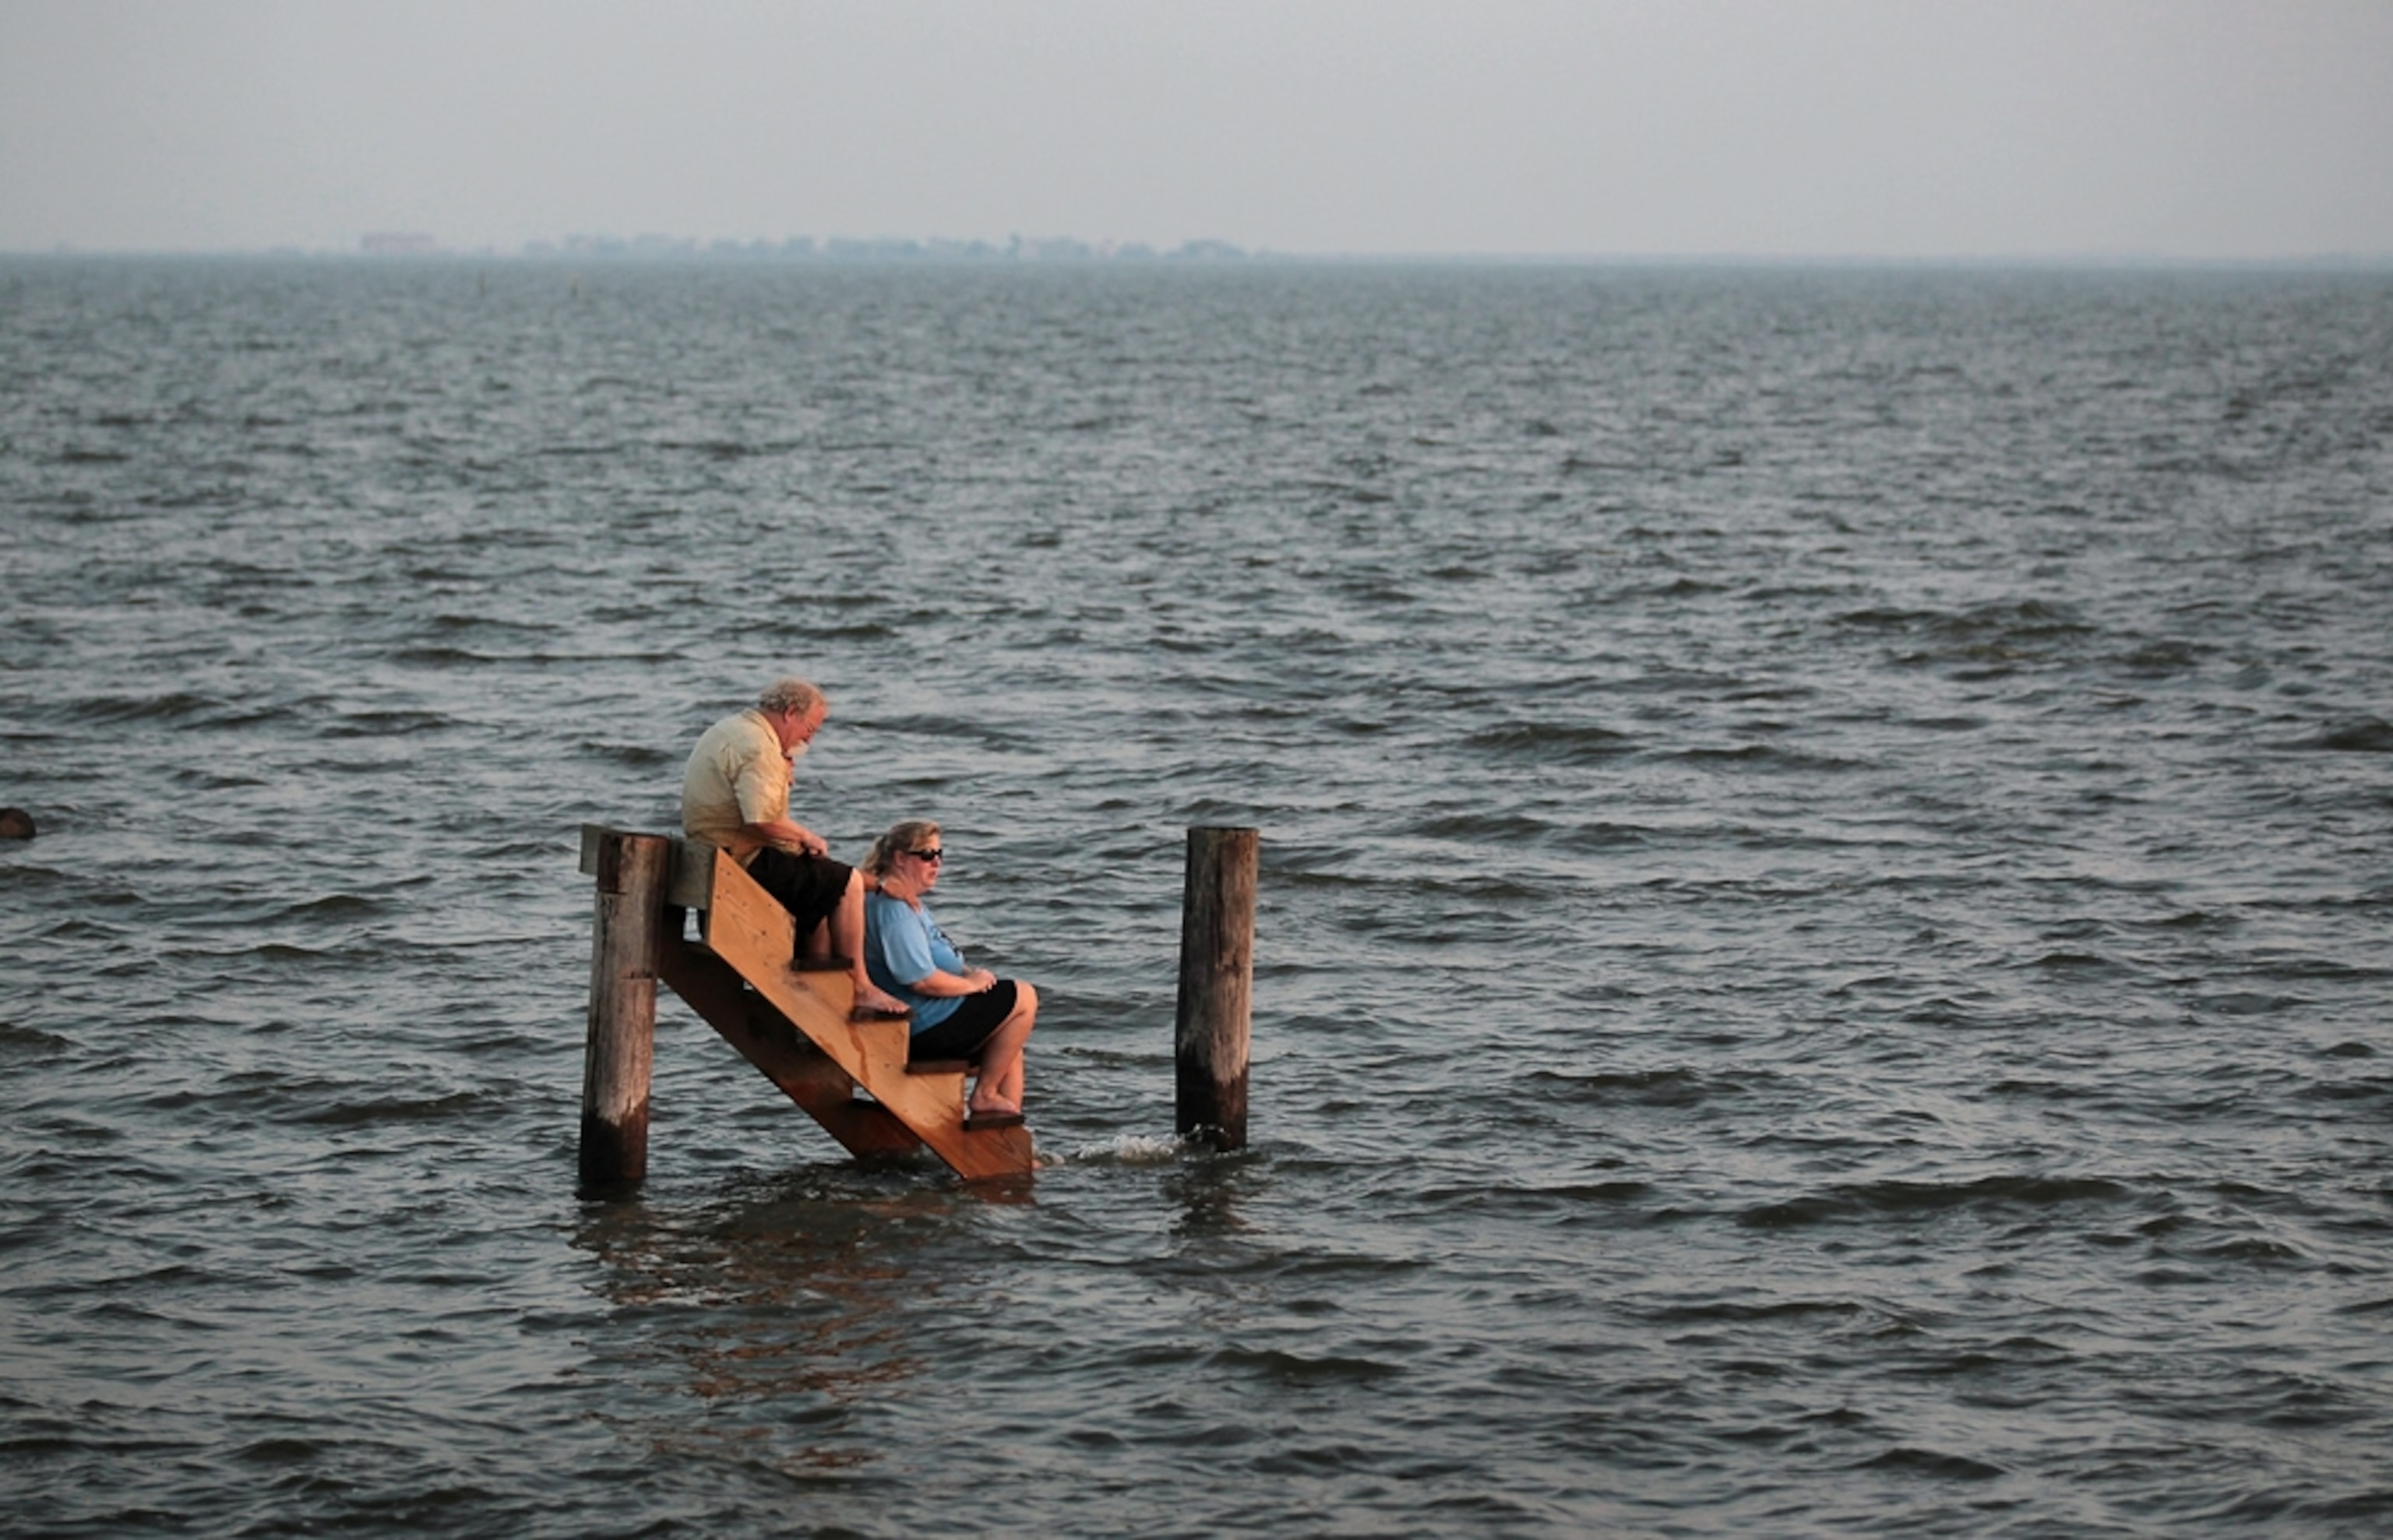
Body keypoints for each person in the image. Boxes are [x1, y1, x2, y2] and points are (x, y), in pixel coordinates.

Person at [681, 676, 911, 1019]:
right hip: (740, 859)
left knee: (821, 883)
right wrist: (806, 836)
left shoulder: (732, 728)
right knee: (845, 883)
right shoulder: (760, 747)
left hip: (711, 851)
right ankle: (862, 987)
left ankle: (820, 983)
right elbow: (761, 820)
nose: (809, 738)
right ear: (791, 713)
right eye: (810, 728)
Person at [861, 819, 1038, 1124]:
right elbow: (919, 980)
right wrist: (970, 985)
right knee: (1024, 996)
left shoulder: (905, 901)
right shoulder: (895, 910)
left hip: (934, 1016)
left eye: (940, 854)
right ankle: (984, 1095)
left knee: (1010, 1051)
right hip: (921, 1025)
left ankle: (1010, 1144)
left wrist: (970, 975)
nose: (937, 862)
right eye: (927, 855)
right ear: (901, 859)